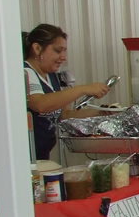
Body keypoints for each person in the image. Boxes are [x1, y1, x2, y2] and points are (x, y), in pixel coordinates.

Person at [23, 24, 111, 161]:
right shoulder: (26, 72)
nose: (63, 57)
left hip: (42, 155)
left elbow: (65, 115)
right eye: (58, 51)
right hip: (25, 157)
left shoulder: (51, 76)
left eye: (64, 52)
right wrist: (83, 89)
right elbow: (40, 104)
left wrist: (103, 112)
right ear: (37, 48)